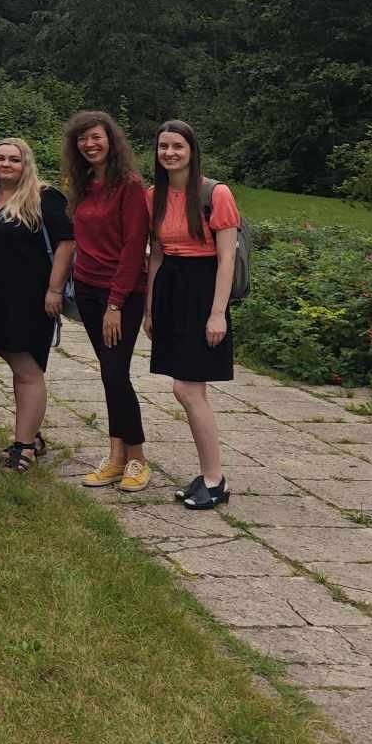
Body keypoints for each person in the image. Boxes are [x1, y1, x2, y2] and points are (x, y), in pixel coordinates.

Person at [0, 138, 73, 472]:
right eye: (1, 158)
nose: (6, 164)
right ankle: (31, 435)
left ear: (27, 164)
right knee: (20, 370)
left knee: (28, 371)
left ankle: (24, 447)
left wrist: (54, 290)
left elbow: (66, 243)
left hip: (29, 299)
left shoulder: (45, 197)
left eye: (14, 159)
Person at [145, 121, 240, 510]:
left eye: (177, 146)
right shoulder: (156, 195)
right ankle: (207, 474)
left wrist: (218, 313)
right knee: (187, 389)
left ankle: (215, 480)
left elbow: (227, 257)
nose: (169, 153)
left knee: (187, 389)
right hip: (171, 288)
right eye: (163, 146)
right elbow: (156, 254)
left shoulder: (215, 193)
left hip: (204, 291)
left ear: (191, 149)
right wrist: (151, 307)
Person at [62, 109, 153, 493]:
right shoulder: (82, 185)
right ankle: (117, 455)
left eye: (96, 137)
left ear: (111, 140)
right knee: (108, 372)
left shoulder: (129, 185)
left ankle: (137, 459)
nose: (89, 144)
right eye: (82, 139)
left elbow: (135, 246)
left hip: (122, 292)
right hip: (86, 287)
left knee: (115, 373)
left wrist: (116, 303)